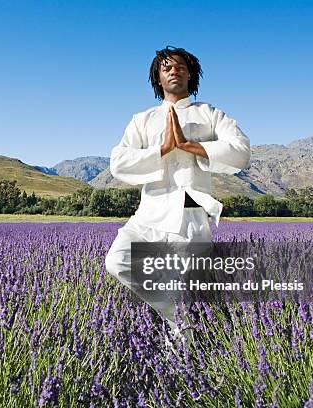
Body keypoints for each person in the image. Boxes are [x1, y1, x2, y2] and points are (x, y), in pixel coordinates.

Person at [104, 46, 251, 338]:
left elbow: (241, 151)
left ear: (191, 75)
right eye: (167, 67)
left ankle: (185, 351)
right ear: (158, 78)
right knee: (117, 260)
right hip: (149, 213)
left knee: (182, 285)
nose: (174, 71)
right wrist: (163, 149)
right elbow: (118, 161)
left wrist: (191, 146)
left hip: (190, 216)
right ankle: (182, 316)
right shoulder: (142, 120)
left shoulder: (209, 114)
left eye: (181, 67)